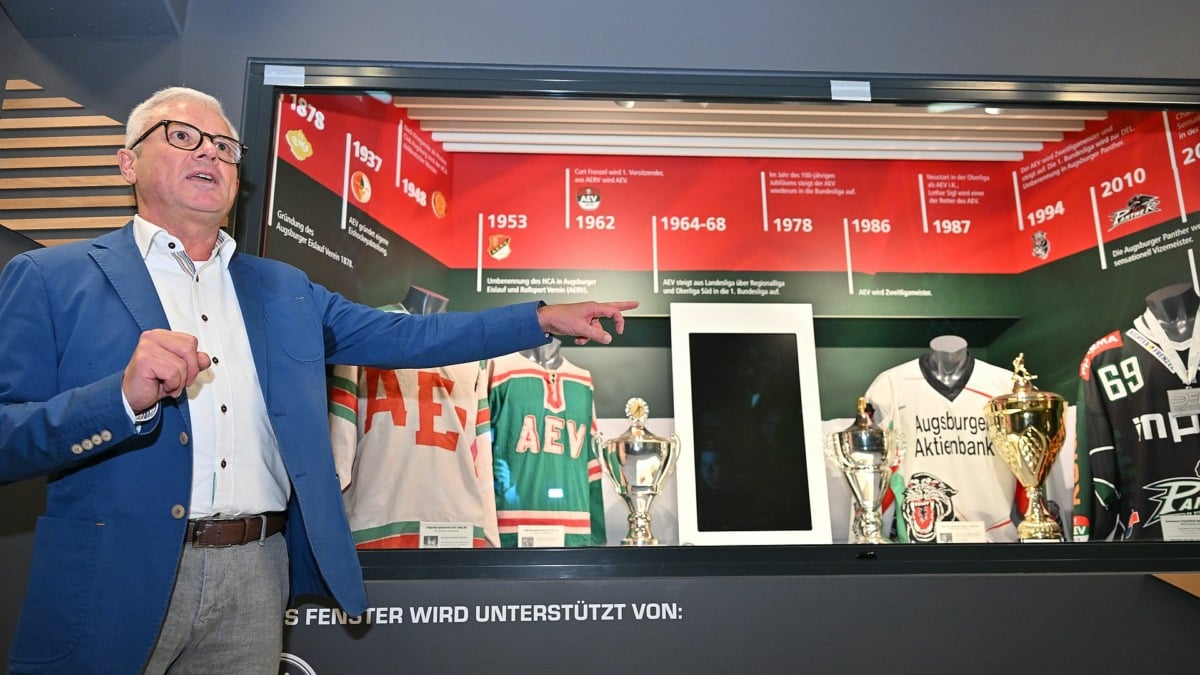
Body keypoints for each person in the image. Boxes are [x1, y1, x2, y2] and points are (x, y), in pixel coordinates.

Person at [0, 86, 637, 674]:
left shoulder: (284, 289)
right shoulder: (51, 279)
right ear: (127, 163)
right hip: (114, 572)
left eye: (225, 146)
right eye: (183, 136)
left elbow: (412, 338)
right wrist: (118, 399)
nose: (210, 154)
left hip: (256, 571)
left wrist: (540, 319)